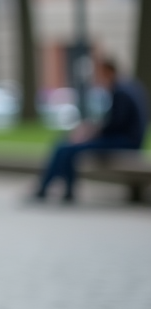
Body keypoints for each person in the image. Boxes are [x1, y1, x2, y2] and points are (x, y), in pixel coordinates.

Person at [32, 57, 149, 203]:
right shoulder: (126, 86)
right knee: (64, 147)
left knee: (67, 149)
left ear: (108, 71)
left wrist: (91, 133)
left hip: (125, 141)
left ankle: (53, 189)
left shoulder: (121, 91)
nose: (98, 78)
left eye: (100, 73)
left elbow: (116, 124)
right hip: (126, 138)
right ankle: (58, 189)